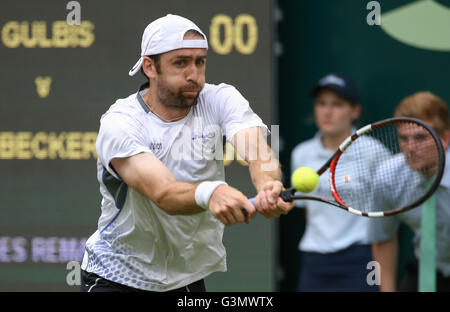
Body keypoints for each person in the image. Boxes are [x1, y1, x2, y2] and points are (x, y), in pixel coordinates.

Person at [80, 14, 293, 292]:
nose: (194, 74)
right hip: (117, 276)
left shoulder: (221, 98)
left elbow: (256, 150)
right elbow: (163, 194)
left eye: (199, 61)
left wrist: (268, 185)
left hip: (185, 278)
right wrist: (212, 192)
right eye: (180, 62)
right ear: (150, 67)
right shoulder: (120, 123)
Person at [290, 73, 379, 291]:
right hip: (315, 260)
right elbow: (307, 211)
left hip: (361, 258)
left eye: (337, 104)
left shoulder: (373, 152)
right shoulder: (301, 154)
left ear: (355, 111)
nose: (327, 112)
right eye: (321, 104)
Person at [371, 91, 450, 292]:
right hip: (426, 269)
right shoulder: (388, 177)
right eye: (404, 138)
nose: (411, 148)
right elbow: (383, 239)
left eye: (421, 137)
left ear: (445, 138)